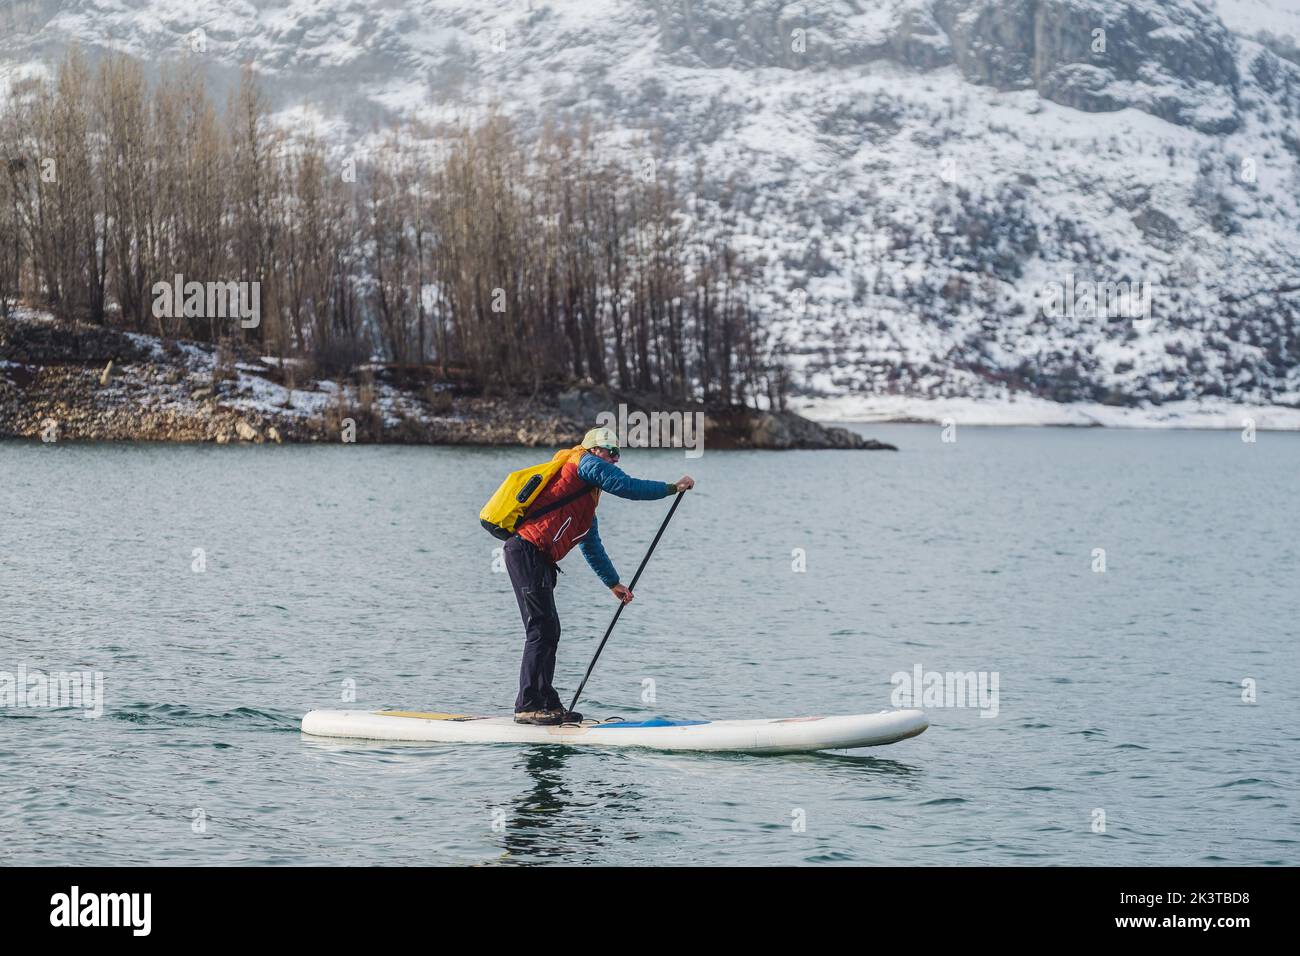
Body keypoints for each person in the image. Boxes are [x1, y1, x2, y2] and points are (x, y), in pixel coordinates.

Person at [504, 426, 694, 725]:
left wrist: (613, 583)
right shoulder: (583, 462)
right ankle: (527, 706)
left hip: (539, 559)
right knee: (541, 628)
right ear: (594, 450)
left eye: (618, 453)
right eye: (611, 452)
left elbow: (591, 546)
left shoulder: (584, 500)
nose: (615, 459)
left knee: (549, 629)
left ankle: (546, 702)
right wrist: (671, 488)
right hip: (525, 552)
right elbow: (627, 486)